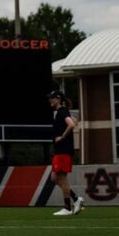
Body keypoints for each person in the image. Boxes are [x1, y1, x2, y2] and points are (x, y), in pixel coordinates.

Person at [50, 88, 84, 216]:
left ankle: (67, 208)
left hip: (63, 150)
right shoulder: (63, 111)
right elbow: (74, 120)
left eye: (52, 98)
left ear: (58, 99)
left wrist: (62, 137)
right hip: (60, 151)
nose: (50, 100)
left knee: (62, 179)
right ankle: (76, 199)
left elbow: (71, 124)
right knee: (54, 178)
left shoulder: (61, 111)